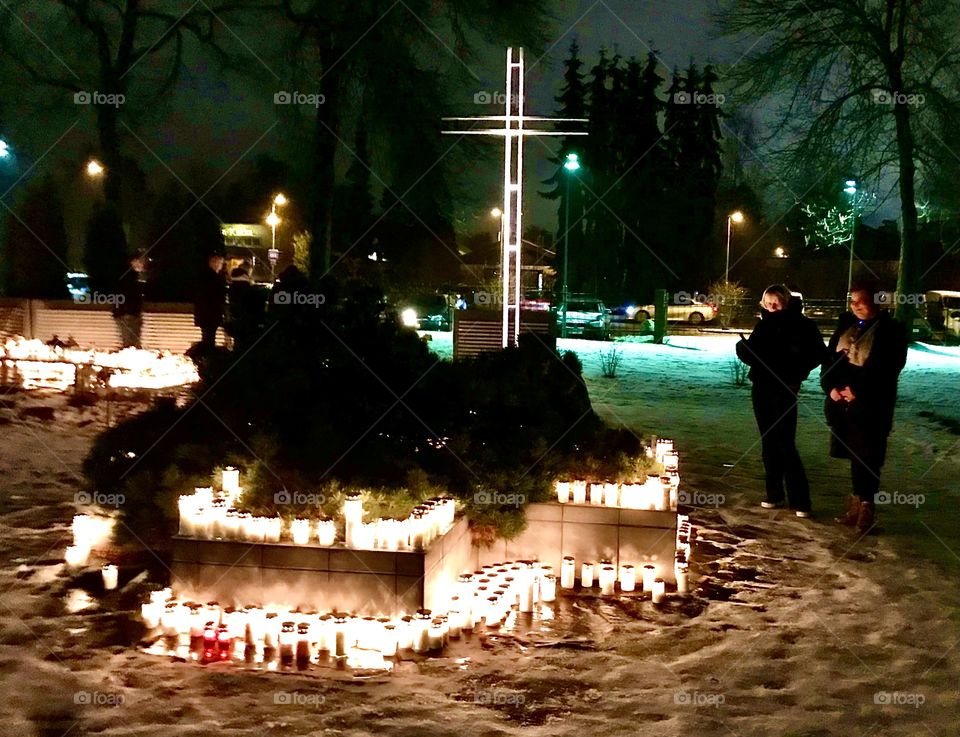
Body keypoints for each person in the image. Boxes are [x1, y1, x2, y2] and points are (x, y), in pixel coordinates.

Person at [820, 281, 908, 534]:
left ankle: (867, 508)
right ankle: (856, 504)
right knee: (854, 455)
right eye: (853, 300)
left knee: (868, 456)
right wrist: (831, 387)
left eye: (862, 300)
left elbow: (888, 368)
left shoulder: (891, 331)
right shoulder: (846, 326)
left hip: (871, 406)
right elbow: (830, 360)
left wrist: (858, 391)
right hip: (843, 405)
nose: (856, 305)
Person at [736, 285, 826, 517]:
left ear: (786, 301)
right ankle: (774, 493)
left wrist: (796, 372)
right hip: (762, 388)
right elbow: (754, 355)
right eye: (768, 303)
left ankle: (801, 500)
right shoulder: (763, 325)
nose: (772, 307)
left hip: (785, 388)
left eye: (776, 302)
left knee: (785, 442)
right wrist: (744, 349)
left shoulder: (803, 325)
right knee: (768, 441)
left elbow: (818, 354)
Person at [194, 252, 226, 353]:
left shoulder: (204, 277)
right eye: (220, 263)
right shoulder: (213, 278)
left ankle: (206, 356)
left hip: (205, 314)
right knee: (209, 337)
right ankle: (208, 358)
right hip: (211, 314)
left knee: (207, 336)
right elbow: (217, 297)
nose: (221, 266)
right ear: (214, 262)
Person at [114, 253, 146, 348]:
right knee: (131, 341)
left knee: (128, 341)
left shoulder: (126, 275)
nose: (143, 264)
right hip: (129, 313)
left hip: (125, 312)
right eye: (141, 261)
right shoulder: (130, 277)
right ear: (133, 262)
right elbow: (130, 295)